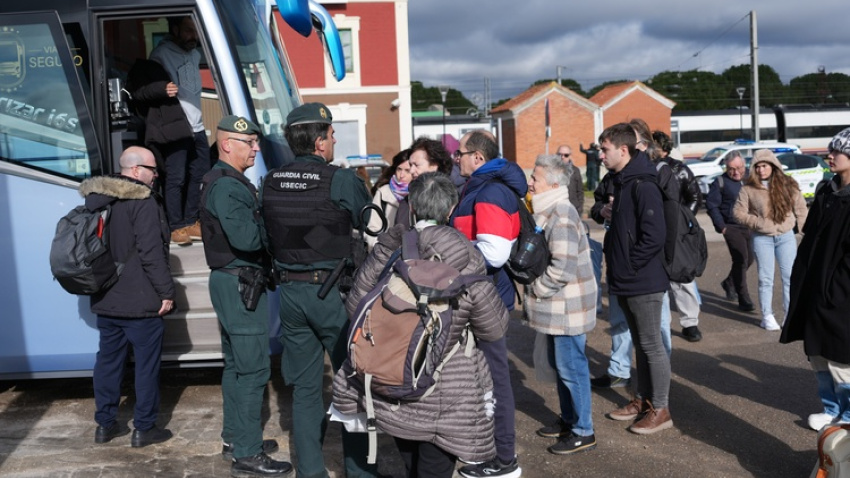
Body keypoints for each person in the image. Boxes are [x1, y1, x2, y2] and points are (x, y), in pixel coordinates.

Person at [332, 172, 510, 477]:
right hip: (446, 391)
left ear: (411, 207)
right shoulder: (466, 257)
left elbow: (356, 305)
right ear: (451, 209)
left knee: (410, 460)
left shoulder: (390, 249)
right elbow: (493, 328)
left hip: (393, 379)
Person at [262, 102, 375, 478]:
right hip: (332, 295)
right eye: (330, 134)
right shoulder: (339, 180)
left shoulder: (272, 180)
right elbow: (368, 219)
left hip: (291, 296)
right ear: (319, 142)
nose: (335, 139)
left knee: (306, 389)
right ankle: (358, 471)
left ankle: (311, 471)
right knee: (354, 383)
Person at [200, 116, 291, 477]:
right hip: (240, 282)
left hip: (234, 280)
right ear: (227, 144)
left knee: (237, 366)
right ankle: (248, 454)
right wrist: (274, 226)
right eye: (248, 142)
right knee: (252, 370)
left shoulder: (226, 181)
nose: (256, 148)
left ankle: (236, 439)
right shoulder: (228, 186)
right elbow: (247, 239)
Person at [85, 146, 175, 447]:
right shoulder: (143, 201)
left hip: (106, 298)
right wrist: (166, 291)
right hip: (140, 301)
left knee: (108, 363)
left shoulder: (98, 199)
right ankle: (144, 428)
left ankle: (104, 425)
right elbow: (151, 253)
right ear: (136, 171)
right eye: (152, 170)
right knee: (145, 367)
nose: (155, 176)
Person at [451, 129, 524, 478]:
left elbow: (494, 252)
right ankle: (489, 453)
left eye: (460, 153)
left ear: (477, 158)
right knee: (483, 381)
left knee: (494, 381)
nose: (456, 159)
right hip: (482, 296)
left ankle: (505, 461)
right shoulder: (481, 187)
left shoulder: (491, 191)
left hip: (487, 299)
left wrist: (448, 254)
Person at [599, 123, 673, 435]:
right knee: (641, 346)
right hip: (626, 277)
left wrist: (630, 267)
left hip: (642, 279)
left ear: (623, 150)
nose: (600, 155)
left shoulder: (643, 184)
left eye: (605, 149)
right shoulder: (621, 182)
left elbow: (654, 236)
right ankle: (643, 399)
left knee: (651, 344)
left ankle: (661, 408)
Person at [525, 155, 598, 455]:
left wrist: (536, 289)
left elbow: (563, 267)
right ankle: (570, 420)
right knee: (562, 366)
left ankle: (584, 431)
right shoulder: (549, 209)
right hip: (560, 306)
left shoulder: (562, 213)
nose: (530, 182)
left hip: (567, 308)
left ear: (554, 184)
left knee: (572, 368)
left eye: (536, 178)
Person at [782, 127, 850, 431]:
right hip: (813, 284)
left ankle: (848, 415)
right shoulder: (826, 191)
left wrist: (836, 288)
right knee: (817, 353)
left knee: (841, 359)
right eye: (831, 150)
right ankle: (830, 407)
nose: (830, 156)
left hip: (840, 291)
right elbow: (810, 237)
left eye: (837, 151)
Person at [149, 16, 210, 245]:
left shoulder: (195, 54)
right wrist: (162, 88)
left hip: (199, 125)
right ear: (174, 30)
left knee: (200, 175)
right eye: (187, 31)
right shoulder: (160, 54)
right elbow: (146, 85)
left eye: (195, 32)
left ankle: (192, 220)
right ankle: (176, 226)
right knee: (176, 177)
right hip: (176, 126)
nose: (193, 37)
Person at [733, 149, 807, 331]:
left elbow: (801, 208)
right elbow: (738, 213)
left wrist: (804, 230)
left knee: (790, 276)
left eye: (764, 166)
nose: (760, 170)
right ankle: (767, 315)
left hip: (785, 236)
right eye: (757, 166)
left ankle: (789, 314)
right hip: (761, 238)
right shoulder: (748, 189)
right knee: (765, 278)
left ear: (773, 166)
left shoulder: (789, 184)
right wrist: (757, 222)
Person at [653, 129, 704, 342]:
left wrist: (683, 219)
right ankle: (660, 323)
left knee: (683, 277)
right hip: (656, 229)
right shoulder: (649, 169)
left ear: (663, 149)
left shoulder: (681, 170)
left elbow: (694, 196)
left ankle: (690, 322)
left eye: (652, 145)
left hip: (679, 232)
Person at [705, 151, 755, 312]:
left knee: (749, 259)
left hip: (749, 225)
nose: (736, 172)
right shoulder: (720, 182)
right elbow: (712, 205)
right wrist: (722, 227)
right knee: (741, 259)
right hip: (731, 227)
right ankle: (743, 298)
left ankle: (729, 283)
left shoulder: (750, 179)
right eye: (731, 169)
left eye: (739, 167)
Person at [395, 137, 453, 228]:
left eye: (416, 165)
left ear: (434, 165)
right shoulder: (407, 201)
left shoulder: (453, 196)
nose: (411, 170)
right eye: (410, 165)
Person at [365, 148, 412, 249]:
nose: (402, 175)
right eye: (399, 169)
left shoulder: (420, 194)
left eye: (407, 171)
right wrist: (379, 248)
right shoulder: (383, 193)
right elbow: (373, 227)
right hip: (387, 254)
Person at [555, 145, 585, 214]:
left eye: (566, 155)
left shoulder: (575, 170)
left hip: (573, 208)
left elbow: (580, 191)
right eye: (559, 154)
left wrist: (579, 207)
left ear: (570, 156)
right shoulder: (551, 170)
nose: (562, 157)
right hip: (556, 209)